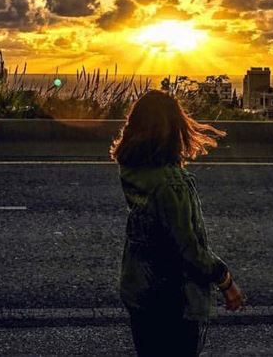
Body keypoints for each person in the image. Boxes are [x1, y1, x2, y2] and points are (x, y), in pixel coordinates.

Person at [111, 90, 246, 357]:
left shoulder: (132, 169)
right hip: (172, 300)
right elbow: (189, 250)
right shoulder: (171, 184)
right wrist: (226, 281)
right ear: (173, 129)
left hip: (138, 289)